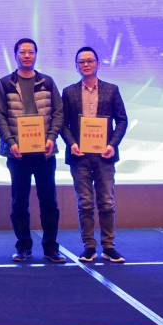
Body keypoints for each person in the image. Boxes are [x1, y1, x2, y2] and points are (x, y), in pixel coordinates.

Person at [0, 38, 66, 263]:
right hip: (17, 153)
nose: (26, 56)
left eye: (30, 52)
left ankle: (51, 247)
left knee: (49, 202)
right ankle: (23, 246)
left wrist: (52, 138)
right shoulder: (5, 83)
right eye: (22, 52)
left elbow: (58, 113)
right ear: (15, 55)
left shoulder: (47, 81)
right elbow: (0, 116)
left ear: (36, 55)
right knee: (19, 202)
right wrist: (10, 142)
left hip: (44, 152)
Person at [61, 46, 128, 264]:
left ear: (98, 64)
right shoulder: (69, 92)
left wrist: (112, 144)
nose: (86, 64)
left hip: (104, 155)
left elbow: (122, 120)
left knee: (107, 202)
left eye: (90, 61)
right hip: (79, 155)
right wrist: (71, 144)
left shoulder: (112, 89)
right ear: (76, 66)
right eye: (82, 62)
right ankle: (89, 247)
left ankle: (108, 247)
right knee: (85, 203)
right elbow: (62, 123)